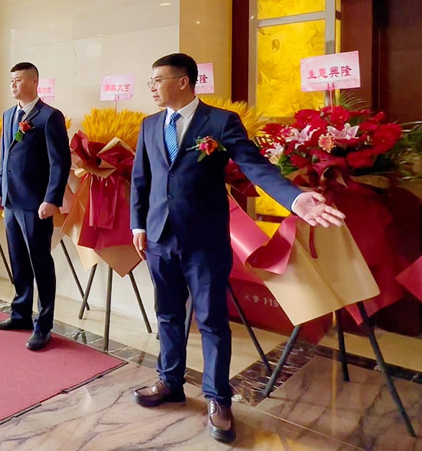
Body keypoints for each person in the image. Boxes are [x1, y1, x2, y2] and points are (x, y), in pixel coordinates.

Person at [130, 53, 346, 443]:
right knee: (167, 314)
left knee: (212, 320)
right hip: (160, 237)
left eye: (158, 80)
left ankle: (218, 398)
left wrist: (295, 199)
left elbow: (254, 166)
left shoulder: (220, 122)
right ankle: (170, 380)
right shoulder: (149, 125)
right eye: (151, 81)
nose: (152, 87)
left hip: (205, 239)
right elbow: (140, 180)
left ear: (183, 81)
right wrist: (138, 224)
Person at [0, 62, 71, 351]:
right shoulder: (8, 114)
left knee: (40, 263)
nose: (13, 84)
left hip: (36, 204)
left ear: (35, 82)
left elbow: (60, 162)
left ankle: (44, 325)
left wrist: (51, 199)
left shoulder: (49, 116)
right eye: (11, 80)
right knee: (18, 261)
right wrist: (0, 190)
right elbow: (5, 156)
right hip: (11, 201)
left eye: (18, 79)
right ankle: (20, 314)